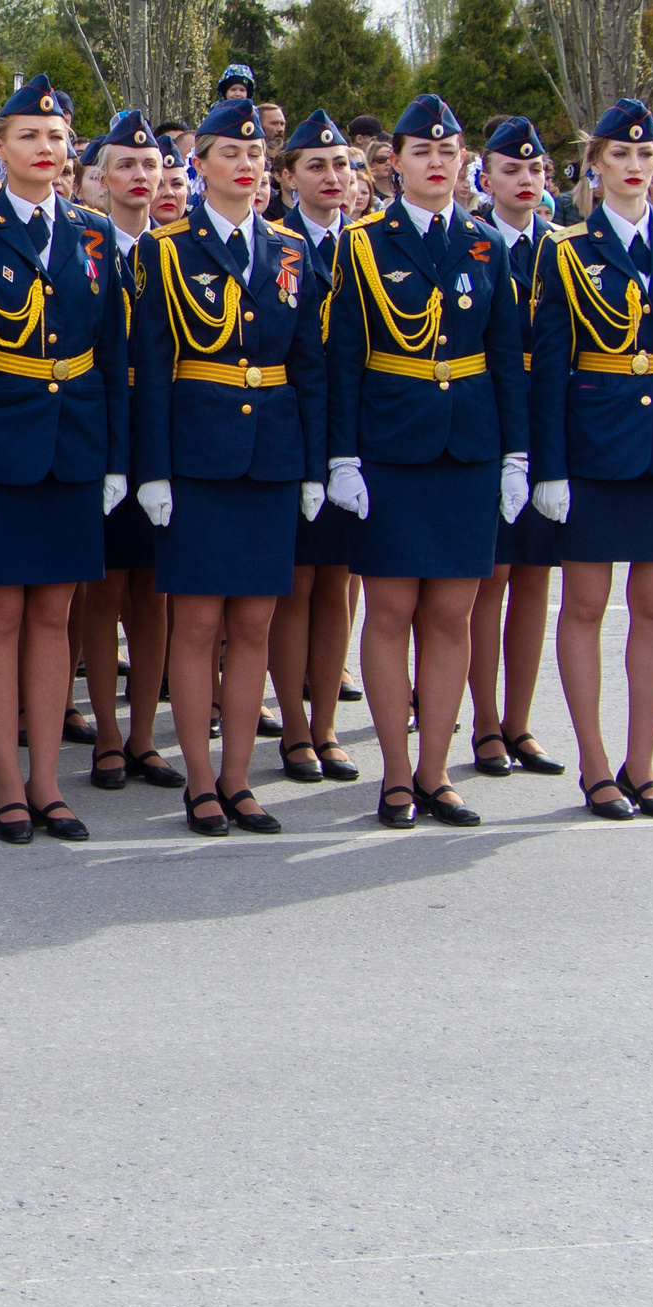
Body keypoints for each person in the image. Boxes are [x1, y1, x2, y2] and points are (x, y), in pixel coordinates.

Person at [325, 94, 529, 831]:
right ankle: (396, 774)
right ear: (395, 164)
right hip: (391, 447)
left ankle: (437, 772)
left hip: (467, 447)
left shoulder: (485, 243)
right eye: (422, 152)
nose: (437, 163)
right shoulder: (362, 243)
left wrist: (516, 454)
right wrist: (342, 457)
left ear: (463, 161)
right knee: (390, 610)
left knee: (451, 612)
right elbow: (344, 358)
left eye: (448, 152)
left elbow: (506, 356)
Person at [0, 75, 128, 845]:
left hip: (74, 442)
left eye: (55, 137)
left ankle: (48, 783)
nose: (45, 148)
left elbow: (112, 353)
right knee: (0, 614)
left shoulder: (94, 233)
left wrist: (116, 458)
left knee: (55, 616)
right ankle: (7, 788)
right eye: (28, 136)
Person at [129, 100, 327, 835]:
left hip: (270, 454)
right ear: (200, 165)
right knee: (196, 622)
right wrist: (153, 469)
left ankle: (240, 779)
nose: (246, 165)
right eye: (229, 153)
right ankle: (201, 781)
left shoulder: (291, 251)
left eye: (255, 155)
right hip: (198, 456)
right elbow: (151, 368)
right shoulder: (166, 251)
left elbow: (309, 364)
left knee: (254, 622)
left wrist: (313, 466)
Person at [528, 100, 653, 821]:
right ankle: (595, 764)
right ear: (595, 166)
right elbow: (549, 367)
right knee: (585, 605)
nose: (636, 167)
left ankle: (643, 765)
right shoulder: (565, 248)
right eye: (620, 155)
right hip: (596, 442)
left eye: (646, 156)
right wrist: (549, 467)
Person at [75, 111, 183, 793]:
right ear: (100, 178)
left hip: (166, 428)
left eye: (152, 166)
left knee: (155, 588)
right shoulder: (86, 246)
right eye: (126, 166)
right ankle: (108, 735)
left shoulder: (180, 251)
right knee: (105, 586)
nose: (141, 177)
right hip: (103, 426)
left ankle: (145, 735)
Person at [461, 116, 570, 782]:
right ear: (486, 178)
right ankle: (483, 722)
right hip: (491, 419)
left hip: (548, 419)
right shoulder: (473, 242)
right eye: (511, 169)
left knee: (534, 576)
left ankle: (519, 721)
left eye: (535, 169)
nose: (525, 180)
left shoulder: (563, 247)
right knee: (490, 578)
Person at [264, 110, 363, 784]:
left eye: (342, 166)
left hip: (354, 432)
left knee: (338, 584)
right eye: (316, 166)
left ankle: (326, 725)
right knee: (295, 585)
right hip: (290, 429)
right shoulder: (277, 243)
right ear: (287, 178)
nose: (333, 177)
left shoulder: (371, 244)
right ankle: (295, 728)